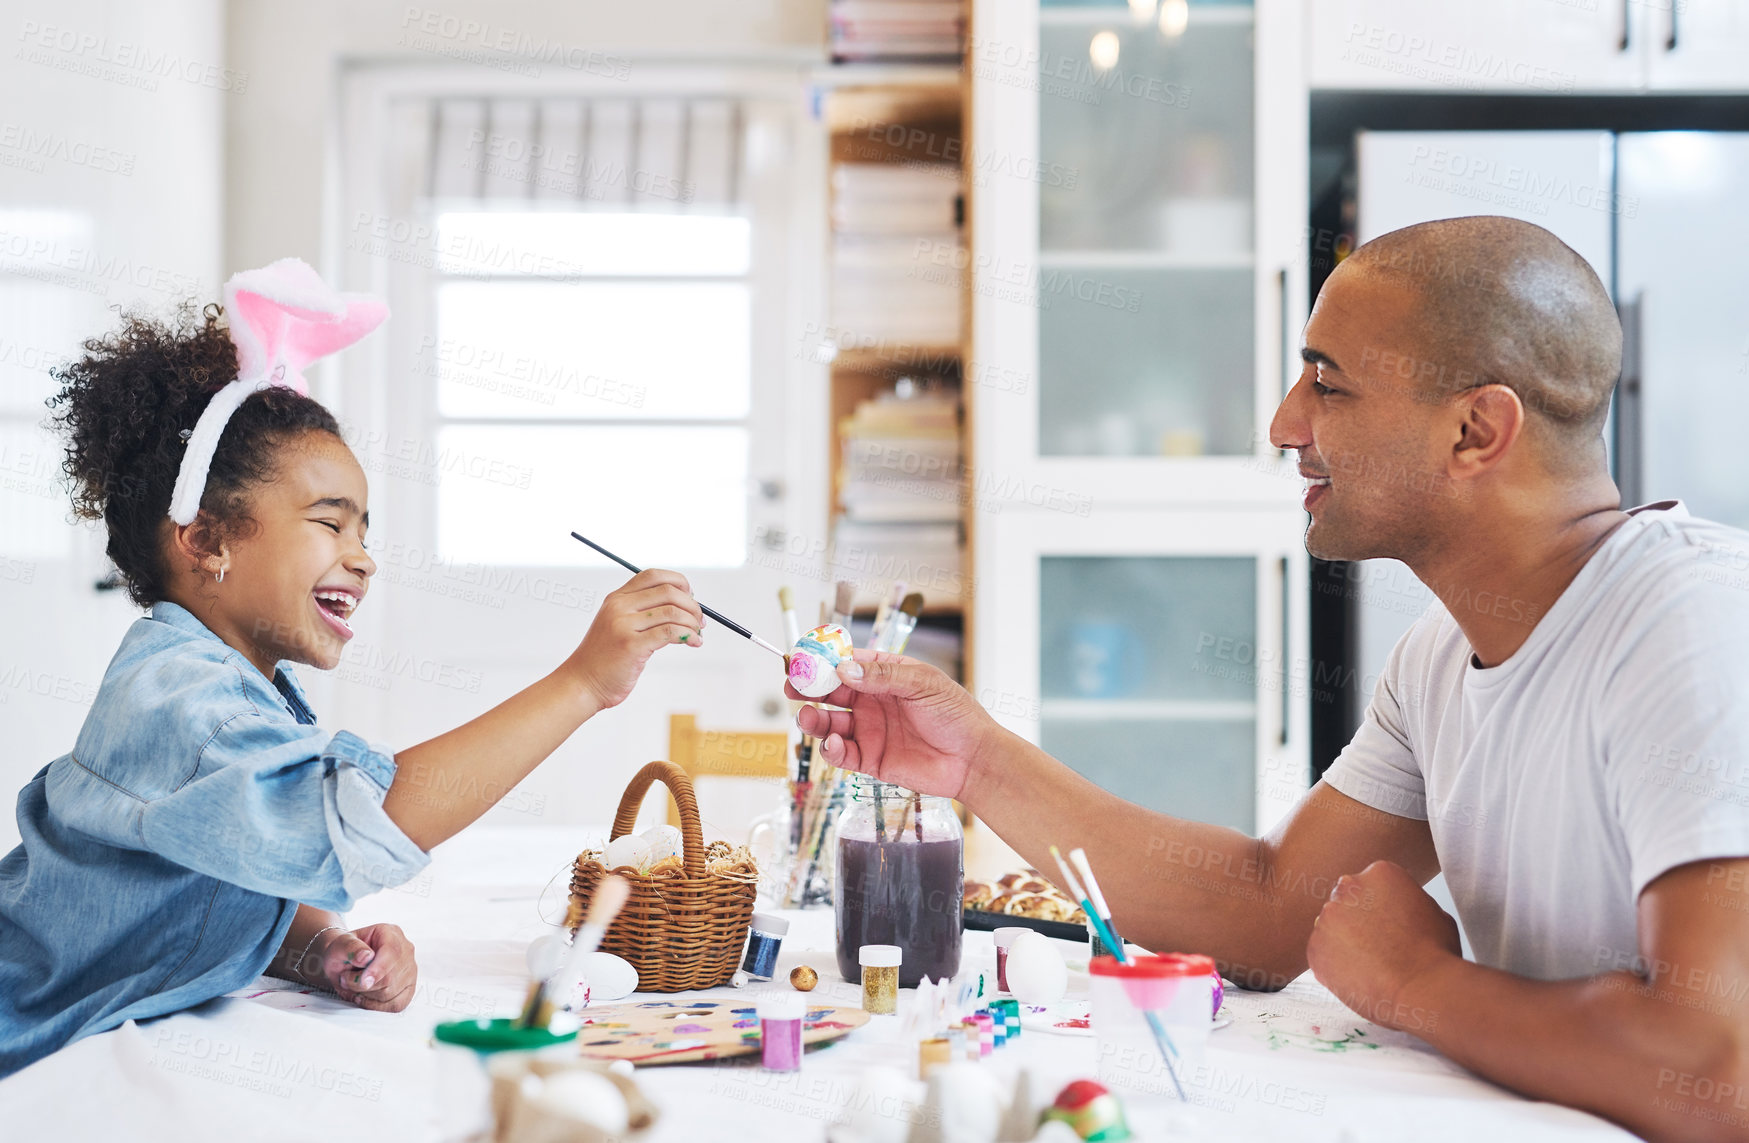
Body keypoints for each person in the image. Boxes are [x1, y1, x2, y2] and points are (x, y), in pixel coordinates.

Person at [794, 217, 1749, 1142]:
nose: (1284, 423)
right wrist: (977, 763)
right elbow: (1263, 911)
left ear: (1474, 430)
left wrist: (1416, 982)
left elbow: (1718, 1072)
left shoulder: (1691, 620)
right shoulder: (1438, 654)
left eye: (1327, 385)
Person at [0, 260, 704, 1077]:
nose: (362, 558)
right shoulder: (185, 701)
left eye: (363, 530)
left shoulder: (232, 684)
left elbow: (212, 872)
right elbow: (357, 824)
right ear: (205, 540)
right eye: (330, 523)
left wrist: (316, 947)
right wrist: (581, 682)